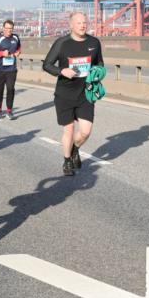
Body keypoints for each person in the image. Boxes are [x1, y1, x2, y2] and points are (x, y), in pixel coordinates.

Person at [41, 11, 102, 176]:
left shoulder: (94, 42)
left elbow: (100, 63)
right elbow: (46, 65)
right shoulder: (62, 43)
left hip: (85, 94)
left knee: (85, 131)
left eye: (84, 22)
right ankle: (67, 160)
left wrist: (97, 74)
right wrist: (62, 71)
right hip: (64, 94)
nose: (82, 25)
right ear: (71, 25)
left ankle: (75, 148)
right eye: (79, 23)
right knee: (68, 130)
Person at [0, 19, 21, 120]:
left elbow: (19, 48)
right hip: (0, 70)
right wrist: (2, 54)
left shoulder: (16, 37)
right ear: (3, 28)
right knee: (0, 90)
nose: (9, 31)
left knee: (11, 89)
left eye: (10, 29)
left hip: (12, 69)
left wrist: (17, 53)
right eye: (7, 29)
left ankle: (9, 111)